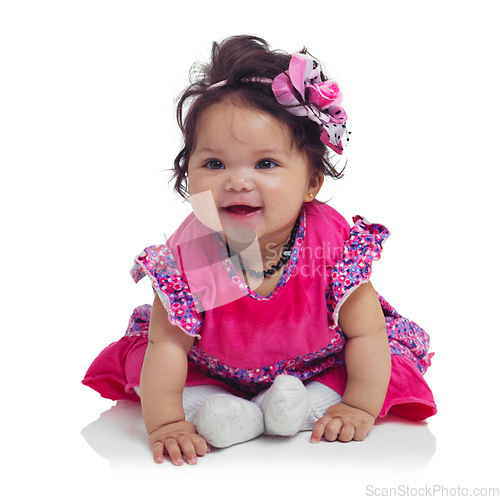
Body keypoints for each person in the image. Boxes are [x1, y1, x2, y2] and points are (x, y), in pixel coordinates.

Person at [82, 35, 436, 466]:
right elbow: (169, 348)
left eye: (265, 164)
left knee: (373, 368)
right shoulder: (195, 253)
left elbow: (366, 333)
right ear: (187, 173)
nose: (237, 181)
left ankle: (301, 406)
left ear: (311, 183)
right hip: (213, 367)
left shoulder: (329, 245)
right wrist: (167, 423)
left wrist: (358, 405)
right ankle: (227, 413)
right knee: (153, 369)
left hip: (320, 361)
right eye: (214, 164)